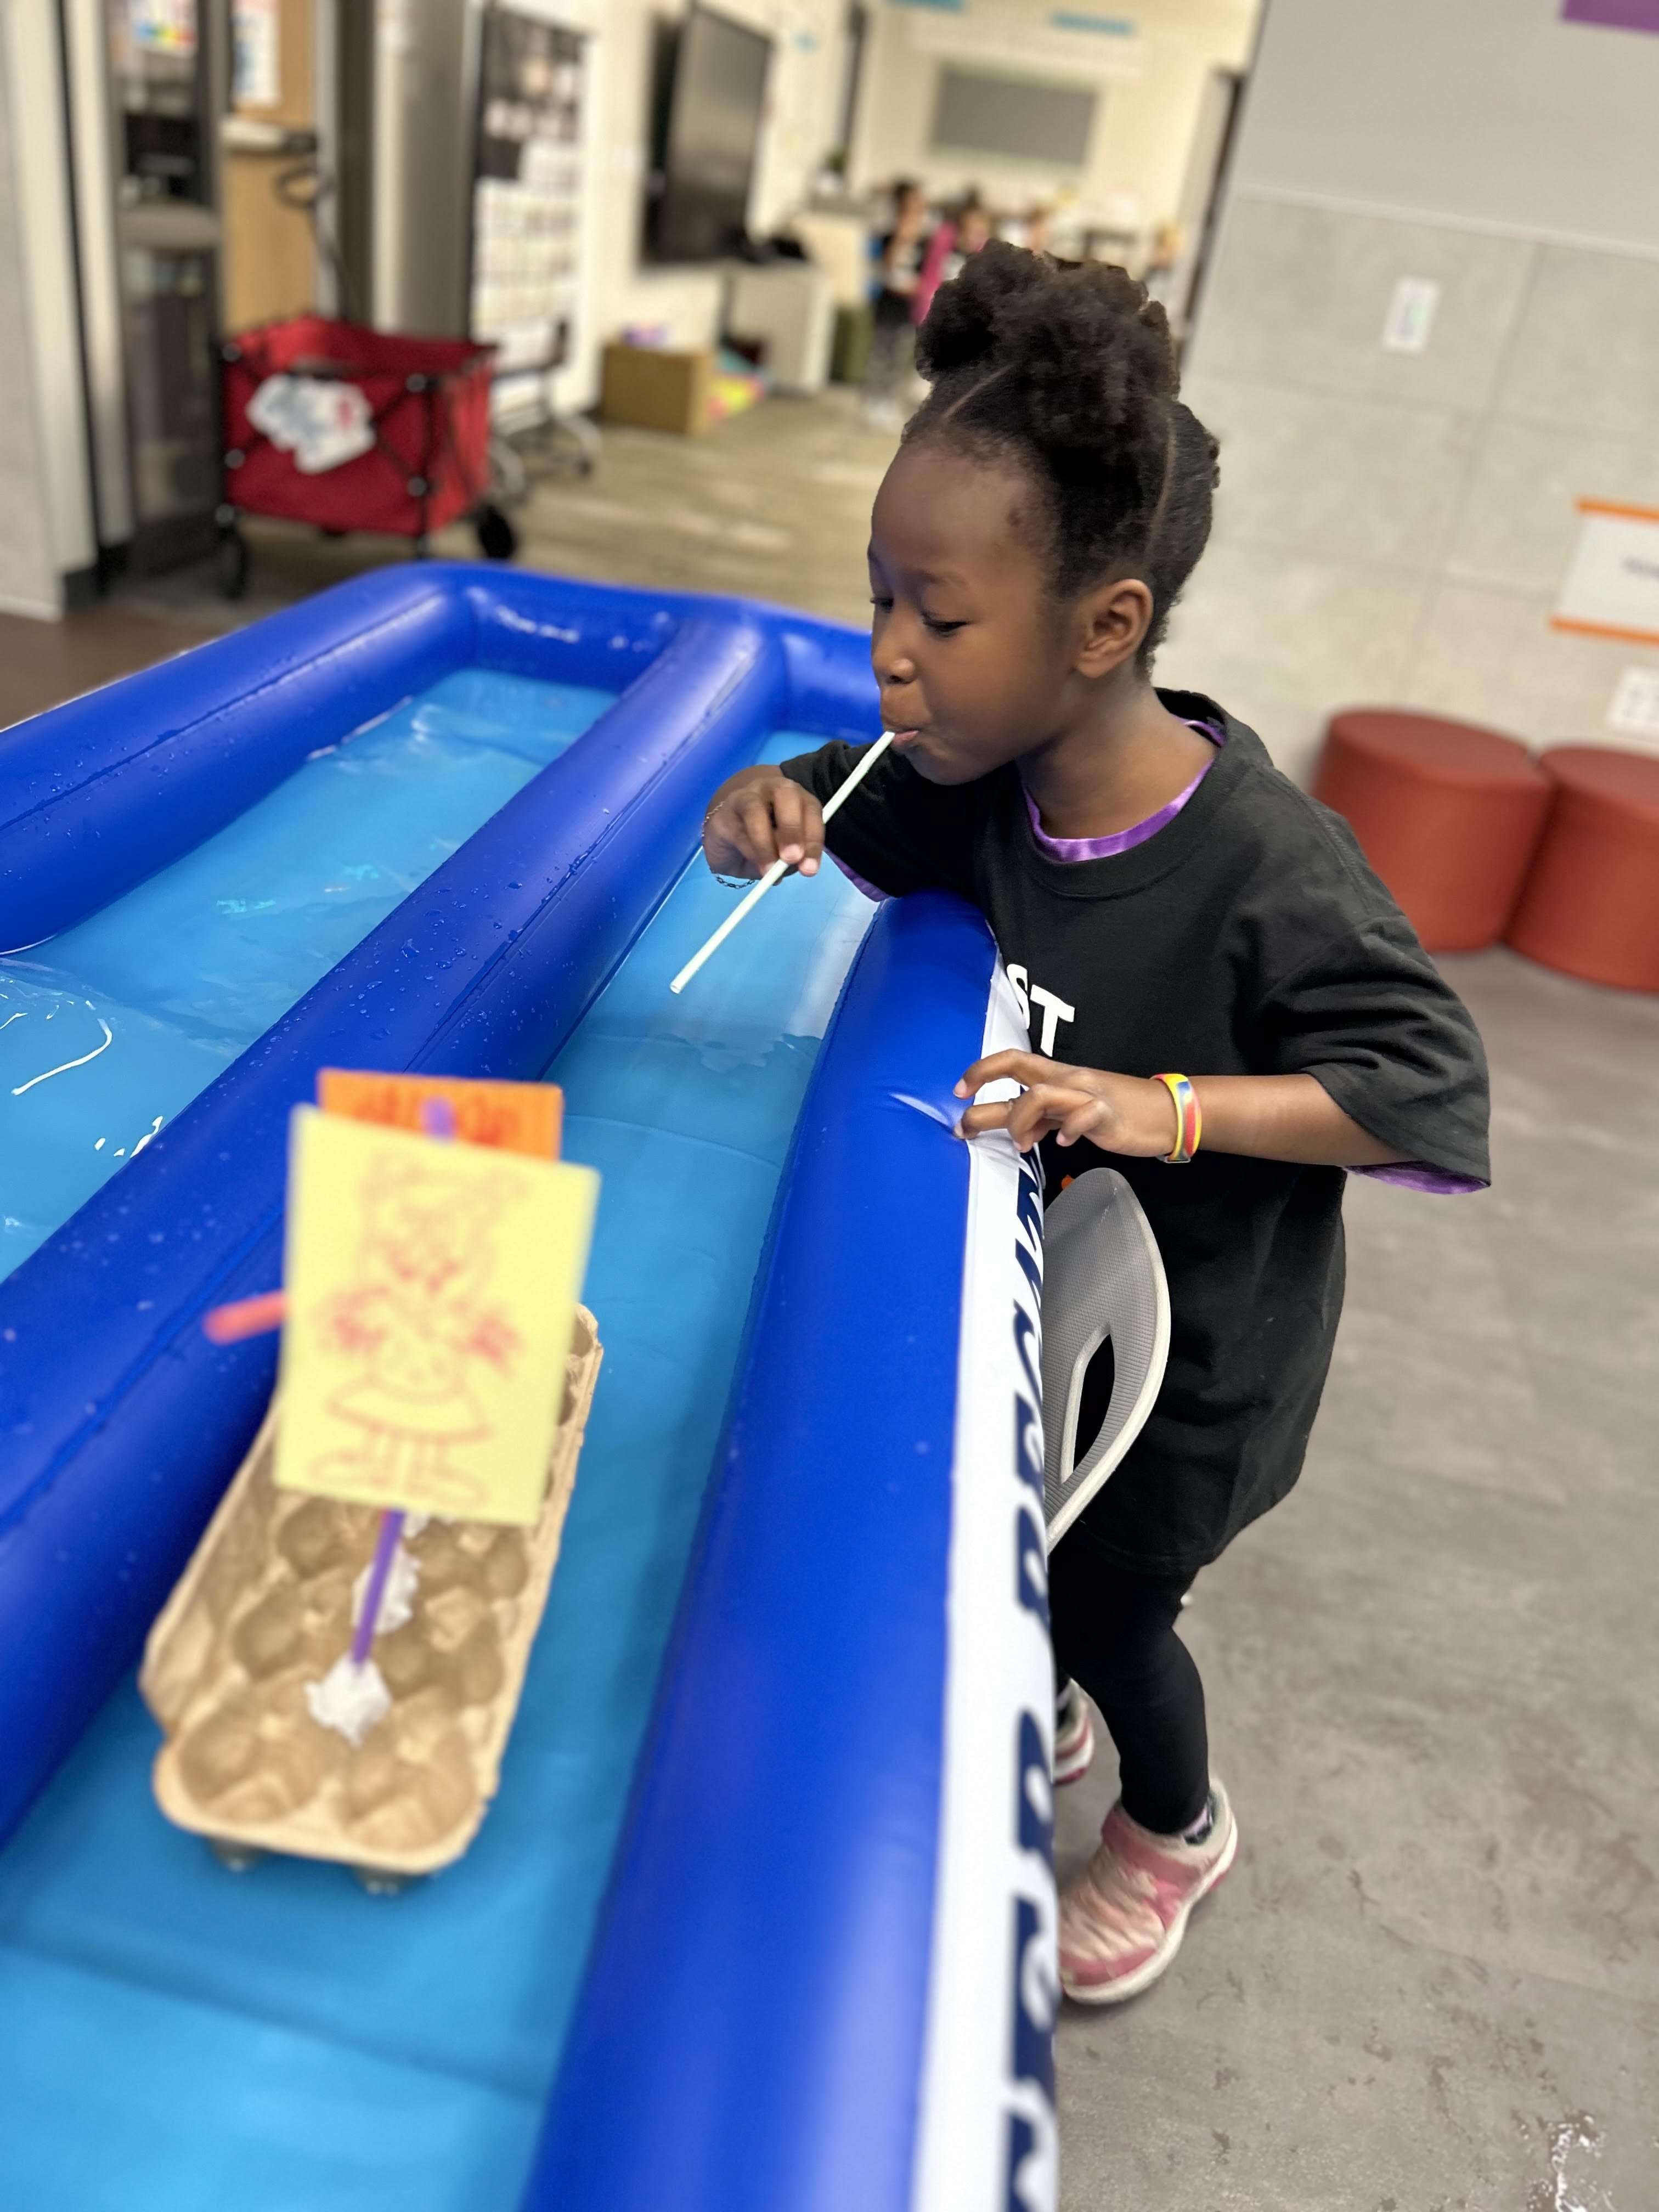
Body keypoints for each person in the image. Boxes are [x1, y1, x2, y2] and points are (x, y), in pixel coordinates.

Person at [698, 245, 1489, 2007]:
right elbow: (847, 798)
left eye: (942, 619)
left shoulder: (1265, 868)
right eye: (881, 600)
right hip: (1058, 1310)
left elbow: (1428, 1089)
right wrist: (765, 805)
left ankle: (1174, 1827)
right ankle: (1048, 1689)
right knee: (1031, 1553)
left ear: (1105, 626)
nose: (891, 657)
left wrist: (1161, 1105)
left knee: (1123, 1608)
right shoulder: (974, 777)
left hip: (1200, 1362)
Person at [861, 178, 931, 431]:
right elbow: (884, 267)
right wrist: (901, 239)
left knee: (898, 356)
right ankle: (872, 401)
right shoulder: (887, 235)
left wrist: (918, 289)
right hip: (887, 304)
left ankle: (888, 401)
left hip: (908, 309)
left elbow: (926, 274)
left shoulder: (925, 240)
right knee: (880, 353)